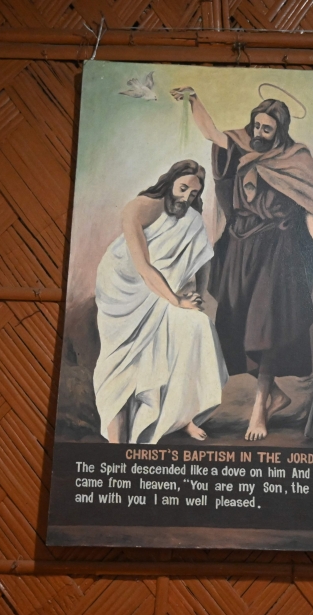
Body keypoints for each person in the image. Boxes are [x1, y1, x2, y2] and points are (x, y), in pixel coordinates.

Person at [172, 87, 313, 441]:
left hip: (276, 251)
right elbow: (211, 132)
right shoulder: (239, 146)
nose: (258, 133)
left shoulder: (295, 160)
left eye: (267, 129)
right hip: (238, 250)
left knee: (264, 330)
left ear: (279, 131)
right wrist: (194, 98)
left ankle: (259, 410)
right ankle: (275, 396)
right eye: (256, 125)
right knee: (236, 329)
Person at [92, 160, 228, 444]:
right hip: (122, 289)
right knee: (121, 364)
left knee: (196, 326)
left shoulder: (190, 220)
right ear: (169, 182)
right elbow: (143, 268)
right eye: (182, 189)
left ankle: (183, 417)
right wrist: (176, 300)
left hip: (163, 292)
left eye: (193, 194)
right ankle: (117, 442)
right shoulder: (137, 208)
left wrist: (196, 297)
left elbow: (203, 260)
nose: (185, 198)